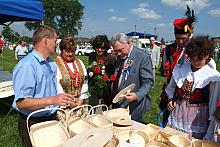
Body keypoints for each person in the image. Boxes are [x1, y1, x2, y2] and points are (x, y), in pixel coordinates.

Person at [12, 25, 75, 147]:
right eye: (55, 41)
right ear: (46, 40)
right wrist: (52, 100)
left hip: (50, 118)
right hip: (33, 122)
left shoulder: (50, 62)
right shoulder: (27, 66)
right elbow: (21, 102)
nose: (56, 44)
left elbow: (48, 89)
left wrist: (60, 99)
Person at [166, 35, 220, 140]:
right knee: (174, 139)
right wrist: (171, 99)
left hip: (198, 118)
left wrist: (210, 125)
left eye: (199, 59)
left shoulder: (213, 77)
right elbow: (171, 87)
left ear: (207, 55)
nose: (195, 62)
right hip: (178, 112)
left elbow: (213, 103)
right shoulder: (181, 69)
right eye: (192, 59)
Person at [159, 6, 196, 125]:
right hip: (169, 95)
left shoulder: (196, 50)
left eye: (183, 38)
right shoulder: (168, 50)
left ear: (190, 35)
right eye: (177, 38)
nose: (180, 42)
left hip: (188, 98)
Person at [111, 33, 154, 122]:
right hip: (118, 101)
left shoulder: (142, 57)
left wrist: (137, 95)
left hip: (133, 105)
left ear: (129, 43)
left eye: (120, 50)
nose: (118, 54)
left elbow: (148, 82)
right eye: (116, 51)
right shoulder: (120, 56)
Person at [55, 37, 90, 108]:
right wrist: (69, 103)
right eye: (68, 51)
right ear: (62, 50)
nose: (70, 54)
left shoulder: (79, 62)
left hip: (80, 104)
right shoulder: (56, 64)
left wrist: (82, 98)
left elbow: (85, 81)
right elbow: (56, 85)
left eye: (73, 51)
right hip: (64, 106)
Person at [88, 34, 115, 107]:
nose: (100, 50)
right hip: (93, 89)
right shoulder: (91, 56)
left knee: (103, 112)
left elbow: (113, 75)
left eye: (102, 48)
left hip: (105, 91)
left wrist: (106, 79)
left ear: (106, 48)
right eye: (98, 47)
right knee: (92, 110)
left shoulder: (110, 58)